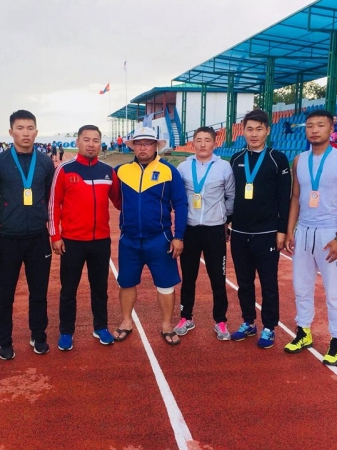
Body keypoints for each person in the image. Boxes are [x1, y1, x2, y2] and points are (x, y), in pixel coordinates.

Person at [284, 109, 337, 366]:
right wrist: (290, 230)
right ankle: (303, 331)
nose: (314, 130)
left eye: (320, 125)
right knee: (301, 287)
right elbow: (295, 197)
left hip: (329, 233)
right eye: (310, 126)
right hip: (304, 231)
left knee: (334, 291)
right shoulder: (299, 160)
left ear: (330, 129)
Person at [113, 127, 188, 345]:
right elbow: (115, 199)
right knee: (126, 283)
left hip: (160, 239)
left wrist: (179, 236)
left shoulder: (169, 171)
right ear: (133, 147)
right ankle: (126, 321)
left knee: (166, 285)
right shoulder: (120, 171)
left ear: (156, 146)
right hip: (129, 239)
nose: (143, 147)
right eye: (139, 143)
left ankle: (167, 325)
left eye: (147, 143)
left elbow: (181, 204)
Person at [49, 124, 121, 351]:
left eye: (95, 140)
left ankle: (101, 327)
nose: (91, 144)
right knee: (68, 290)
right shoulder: (64, 170)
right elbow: (54, 204)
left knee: (100, 288)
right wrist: (55, 235)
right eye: (86, 140)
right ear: (78, 142)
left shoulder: (108, 172)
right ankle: (66, 332)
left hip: (100, 241)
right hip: (72, 241)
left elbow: (120, 201)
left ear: (101, 143)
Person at [0, 110, 55, 360]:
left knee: (39, 292)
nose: (25, 133)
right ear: (11, 132)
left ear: (36, 132)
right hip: (8, 237)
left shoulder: (46, 162)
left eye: (30, 128)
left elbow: (50, 198)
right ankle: (4, 340)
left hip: (38, 238)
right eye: (20, 128)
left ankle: (38, 335)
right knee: (5, 294)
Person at [229, 109, 292, 348]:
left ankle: (269, 326)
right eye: (249, 129)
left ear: (267, 131)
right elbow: (230, 195)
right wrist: (228, 223)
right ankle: (248, 322)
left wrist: (281, 230)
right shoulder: (235, 159)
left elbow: (284, 198)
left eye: (259, 129)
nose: (254, 134)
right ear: (243, 131)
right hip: (240, 233)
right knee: (244, 282)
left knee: (268, 283)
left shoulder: (278, 159)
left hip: (267, 233)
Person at [174, 126, 235, 340]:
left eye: (207, 140)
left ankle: (220, 321)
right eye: (198, 140)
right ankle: (186, 317)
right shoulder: (183, 167)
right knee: (188, 276)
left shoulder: (224, 167)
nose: (202, 144)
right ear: (193, 143)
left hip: (214, 230)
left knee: (218, 277)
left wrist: (224, 220)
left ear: (214, 143)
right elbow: (178, 197)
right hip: (190, 229)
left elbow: (231, 196)